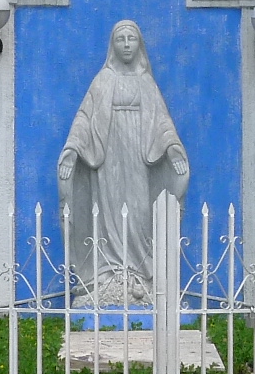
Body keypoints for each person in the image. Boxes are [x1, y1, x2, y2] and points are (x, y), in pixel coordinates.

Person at [57, 19, 189, 299]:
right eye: (121, 39)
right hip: (108, 157)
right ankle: (108, 273)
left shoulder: (146, 83)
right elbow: (84, 118)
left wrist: (171, 146)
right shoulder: (102, 80)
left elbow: (162, 121)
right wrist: (73, 149)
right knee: (107, 211)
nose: (127, 44)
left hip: (138, 157)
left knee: (139, 211)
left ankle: (140, 273)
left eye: (132, 39)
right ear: (112, 45)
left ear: (139, 44)